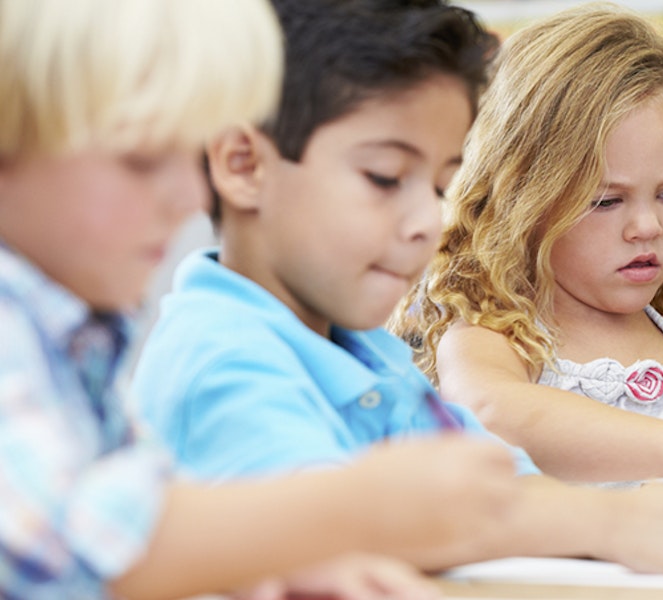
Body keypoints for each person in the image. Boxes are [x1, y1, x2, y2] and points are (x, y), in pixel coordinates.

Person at [133, 0, 663, 575]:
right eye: (385, 178)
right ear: (244, 165)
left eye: (440, 185)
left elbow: (495, 485)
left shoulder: (372, 358)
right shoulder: (220, 357)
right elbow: (332, 531)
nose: (426, 220)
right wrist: (610, 524)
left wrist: (619, 514)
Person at [0, 0, 522, 598]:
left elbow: (138, 505)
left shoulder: (82, 338)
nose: (190, 195)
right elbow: (58, 547)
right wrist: (354, 508)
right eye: (141, 160)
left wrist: (265, 565)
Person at [403, 2, 663, 532]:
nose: (647, 226)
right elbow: (492, 414)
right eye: (605, 201)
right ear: (521, 198)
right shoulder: (495, 341)